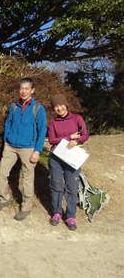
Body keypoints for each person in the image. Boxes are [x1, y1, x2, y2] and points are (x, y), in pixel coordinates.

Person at [0, 77, 47, 221]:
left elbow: (42, 131)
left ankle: (26, 207)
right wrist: (6, 140)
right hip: (10, 146)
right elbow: (8, 124)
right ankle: (4, 198)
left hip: (28, 148)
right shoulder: (14, 107)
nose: (23, 91)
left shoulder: (38, 108)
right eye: (21, 88)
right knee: (1, 173)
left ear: (32, 90)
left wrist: (37, 150)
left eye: (26, 88)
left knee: (27, 179)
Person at [48, 94, 89, 231]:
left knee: (71, 187)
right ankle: (57, 212)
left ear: (66, 105)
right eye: (56, 106)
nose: (59, 108)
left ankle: (70, 216)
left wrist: (76, 141)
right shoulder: (53, 122)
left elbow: (85, 135)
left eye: (61, 105)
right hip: (56, 158)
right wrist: (68, 137)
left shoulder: (77, 118)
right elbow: (52, 140)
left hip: (72, 157)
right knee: (56, 185)